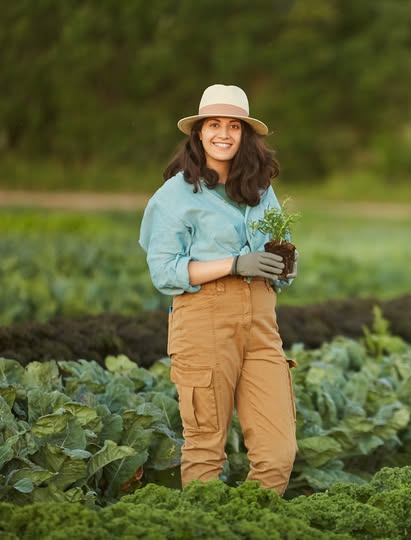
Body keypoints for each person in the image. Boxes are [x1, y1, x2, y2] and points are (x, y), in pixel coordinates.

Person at [139, 84, 299, 494]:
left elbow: (276, 260)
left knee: (278, 453)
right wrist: (233, 264)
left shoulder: (261, 189)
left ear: (246, 135)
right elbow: (164, 271)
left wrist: (283, 264)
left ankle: (251, 524)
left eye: (233, 126)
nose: (223, 133)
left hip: (262, 325)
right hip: (204, 321)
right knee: (206, 449)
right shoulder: (175, 195)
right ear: (198, 133)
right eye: (214, 124)